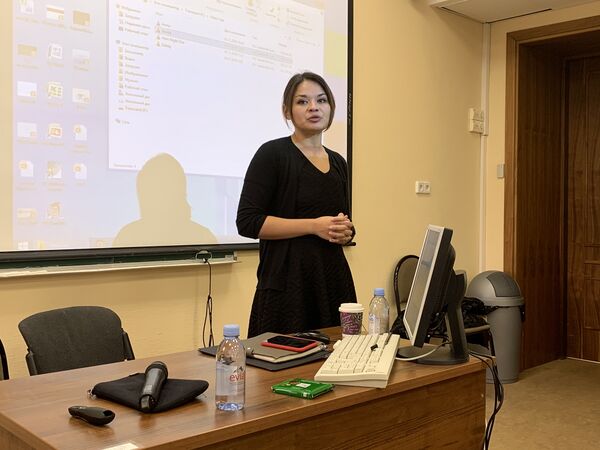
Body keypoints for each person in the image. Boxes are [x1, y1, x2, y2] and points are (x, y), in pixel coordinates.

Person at [237, 71, 357, 337]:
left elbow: (342, 222)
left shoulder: (339, 162)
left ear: (331, 107)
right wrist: (314, 226)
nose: (314, 107)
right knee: (282, 360)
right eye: (303, 101)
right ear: (287, 111)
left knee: (340, 356)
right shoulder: (272, 154)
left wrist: (346, 231)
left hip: (332, 283)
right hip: (287, 287)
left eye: (321, 100)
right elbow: (248, 222)